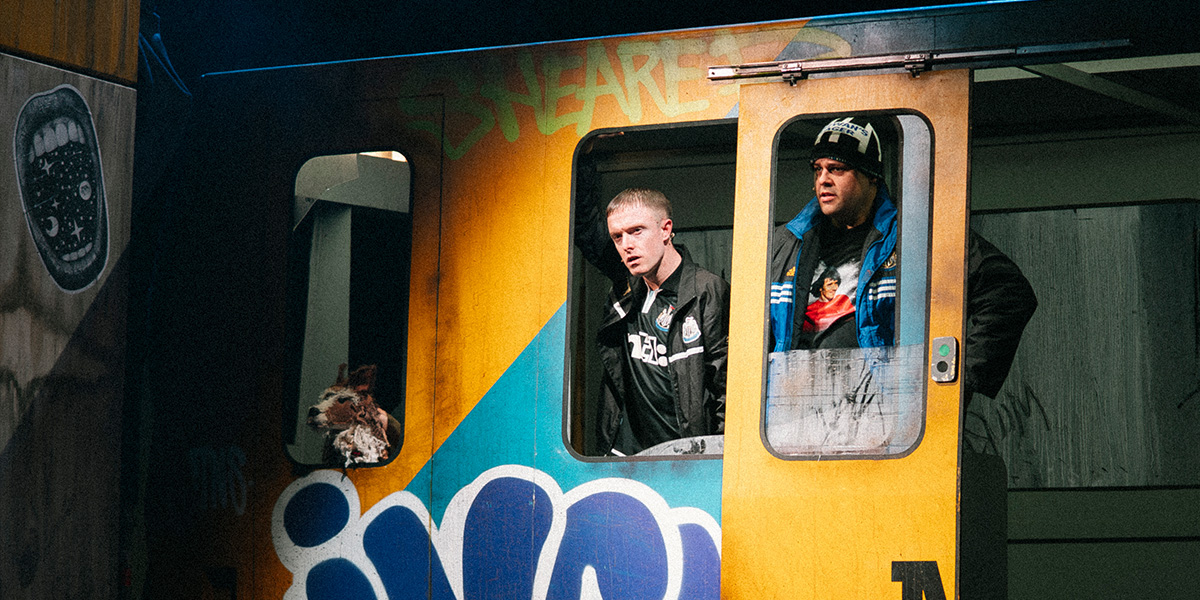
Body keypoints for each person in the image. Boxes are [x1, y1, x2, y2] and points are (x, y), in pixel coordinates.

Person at [769, 117, 1036, 400]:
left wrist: (959, 379)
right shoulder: (786, 243)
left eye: (837, 169)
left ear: (871, 175)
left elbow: (1007, 292)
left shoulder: (916, 234)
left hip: (886, 420)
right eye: (818, 169)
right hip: (794, 419)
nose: (823, 179)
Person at [596, 188, 729, 455]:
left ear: (666, 229)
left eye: (637, 231)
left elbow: (726, 390)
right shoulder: (625, 290)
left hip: (685, 459)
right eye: (617, 237)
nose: (627, 245)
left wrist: (712, 459)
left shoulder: (706, 291)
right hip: (628, 455)